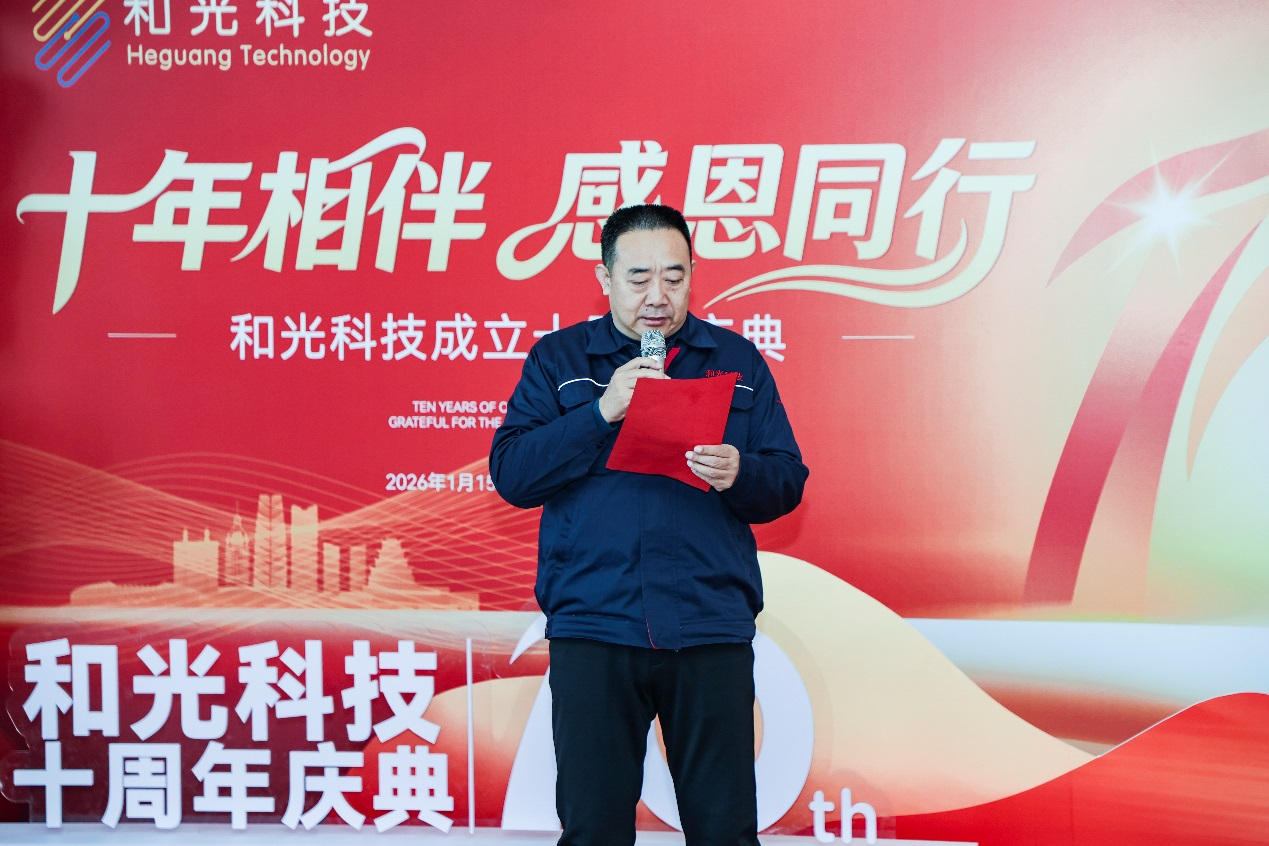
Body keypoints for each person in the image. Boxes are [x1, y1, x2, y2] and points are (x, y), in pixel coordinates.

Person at [489, 204, 808, 846]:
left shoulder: (737, 362)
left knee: (724, 832)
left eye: (674, 276)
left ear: (693, 275)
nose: (658, 296)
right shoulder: (559, 361)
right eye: (639, 278)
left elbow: (787, 479)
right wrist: (600, 411)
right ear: (604, 278)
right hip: (595, 628)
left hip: (708, 628)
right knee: (594, 830)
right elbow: (513, 474)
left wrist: (740, 472)